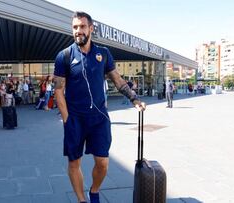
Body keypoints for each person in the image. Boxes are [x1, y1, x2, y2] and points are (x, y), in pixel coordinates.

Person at [53, 11, 146, 203]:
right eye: (75, 27)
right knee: (74, 162)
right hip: (75, 119)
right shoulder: (64, 56)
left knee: (103, 162)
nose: (78, 31)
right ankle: (81, 200)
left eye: (82, 26)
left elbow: (118, 80)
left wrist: (134, 99)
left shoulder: (103, 54)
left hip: (99, 118)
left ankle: (94, 191)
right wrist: (66, 119)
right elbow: (59, 90)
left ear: (91, 28)